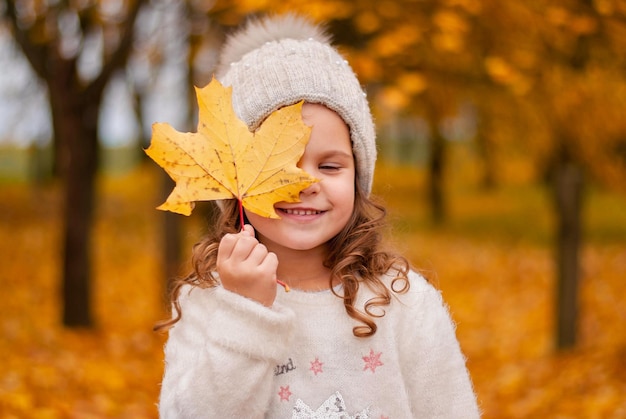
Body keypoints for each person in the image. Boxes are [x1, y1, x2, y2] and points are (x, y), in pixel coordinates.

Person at [156, 13, 480, 418]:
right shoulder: (208, 302)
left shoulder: (405, 303)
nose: (305, 183)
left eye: (330, 166)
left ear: (358, 177)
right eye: (282, 166)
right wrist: (245, 313)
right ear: (234, 182)